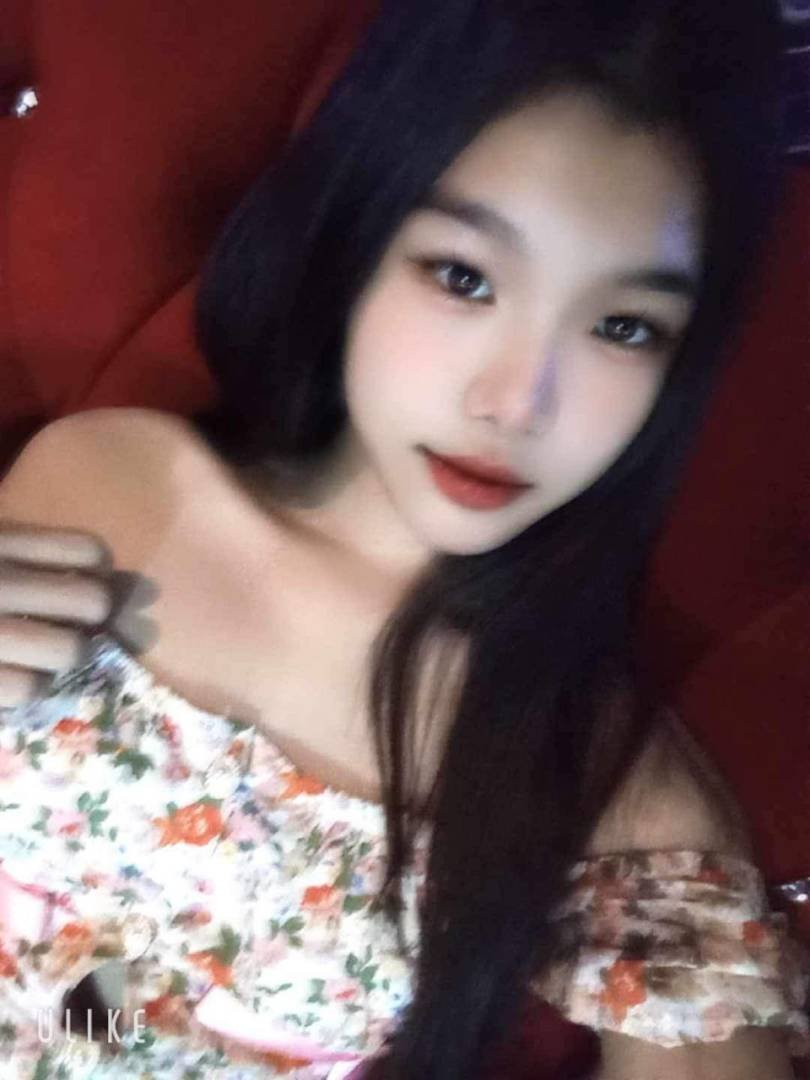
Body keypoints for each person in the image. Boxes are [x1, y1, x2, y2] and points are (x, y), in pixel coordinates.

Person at [0, 1, 805, 1077]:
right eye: (464, 276)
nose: (517, 402)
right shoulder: (103, 482)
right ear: (358, 238)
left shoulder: (608, 788)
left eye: (623, 327)